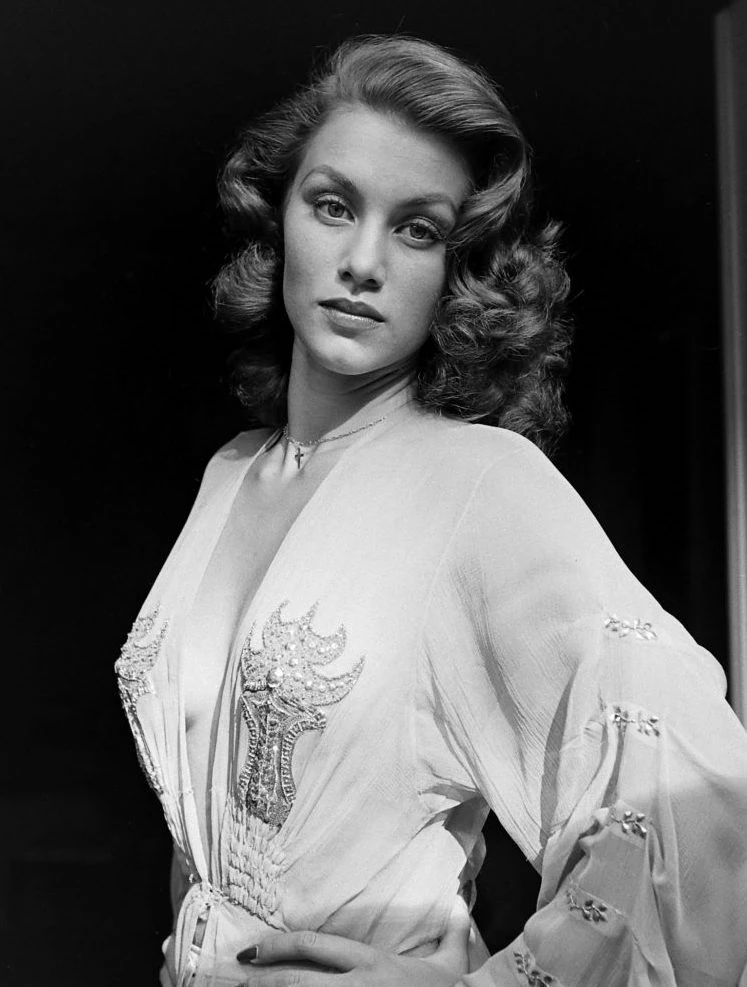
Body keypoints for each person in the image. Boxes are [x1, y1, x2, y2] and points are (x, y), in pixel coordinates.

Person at [115, 34, 747, 987]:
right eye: (333, 206)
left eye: (417, 229)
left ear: (459, 268)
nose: (362, 261)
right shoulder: (231, 472)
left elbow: (695, 804)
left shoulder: (481, 484)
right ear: (279, 221)